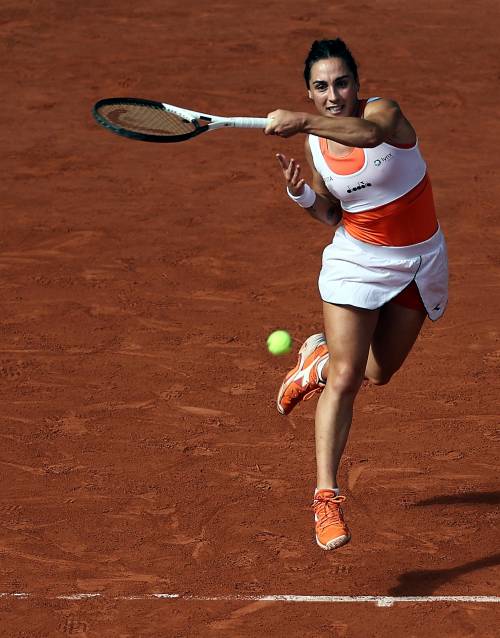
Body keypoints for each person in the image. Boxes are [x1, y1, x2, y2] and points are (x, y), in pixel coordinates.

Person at [264, 38, 448, 551]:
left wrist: (302, 120)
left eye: (341, 83)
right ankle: (326, 498)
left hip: (417, 261)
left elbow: (367, 135)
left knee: (378, 371)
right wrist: (301, 194)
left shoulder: (384, 114)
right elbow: (330, 212)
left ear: (357, 84)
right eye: (320, 87)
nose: (332, 94)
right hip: (357, 260)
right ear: (310, 89)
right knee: (349, 378)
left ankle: (315, 364)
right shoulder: (316, 144)